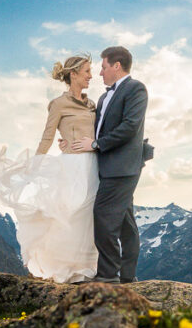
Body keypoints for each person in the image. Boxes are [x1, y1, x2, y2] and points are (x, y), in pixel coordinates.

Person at [0, 53, 99, 283]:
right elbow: (47, 136)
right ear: (74, 74)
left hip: (93, 165)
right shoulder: (58, 104)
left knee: (88, 216)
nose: (91, 76)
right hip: (72, 165)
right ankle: (63, 266)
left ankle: (85, 267)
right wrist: (36, 165)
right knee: (69, 213)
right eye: (87, 71)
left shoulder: (92, 104)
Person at [62, 46, 150, 283]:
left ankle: (108, 275)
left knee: (103, 216)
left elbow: (130, 126)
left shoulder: (136, 88)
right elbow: (95, 129)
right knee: (126, 223)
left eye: (103, 67)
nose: (100, 73)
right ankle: (127, 277)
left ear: (116, 66)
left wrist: (96, 144)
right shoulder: (103, 97)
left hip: (122, 167)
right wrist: (70, 140)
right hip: (107, 166)